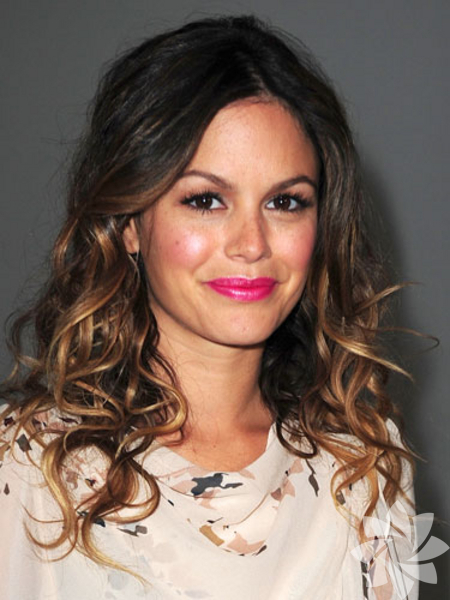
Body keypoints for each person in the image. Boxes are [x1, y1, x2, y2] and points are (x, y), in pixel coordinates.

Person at [0, 15, 418, 600]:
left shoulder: (366, 469)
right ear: (128, 224)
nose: (251, 244)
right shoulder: (28, 467)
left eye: (285, 202)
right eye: (205, 200)